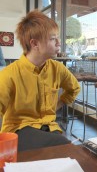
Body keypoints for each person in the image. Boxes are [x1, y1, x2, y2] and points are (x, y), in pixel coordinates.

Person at [0, 10, 80, 151]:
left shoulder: (57, 68)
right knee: (64, 146)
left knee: (62, 148)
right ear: (35, 43)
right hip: (19, 129)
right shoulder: (9, 74)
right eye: (53, 38)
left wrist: (58, 104)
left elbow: (74, 88)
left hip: (50, 126)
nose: (59, 43)